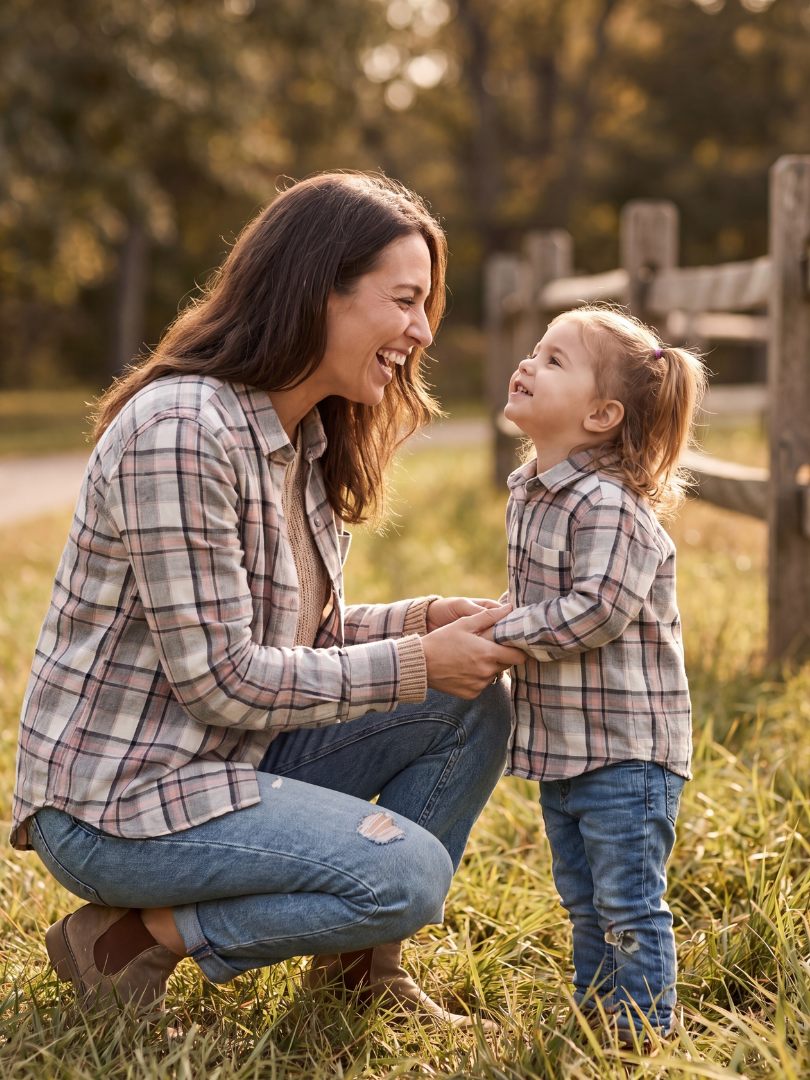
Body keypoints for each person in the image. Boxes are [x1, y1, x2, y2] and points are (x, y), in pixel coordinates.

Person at [12, 173, 525, 1022]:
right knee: (407, 872)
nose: (423, 330)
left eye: (425, 304)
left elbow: (292, 639)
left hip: (232, 758)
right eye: (404, 300)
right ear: (319, 287)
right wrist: (411, 660)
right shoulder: (181, 431)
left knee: (470, 703)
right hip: (125, 800)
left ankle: (360, 966)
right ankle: (128, 944)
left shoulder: (304, 436)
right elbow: (221, 676)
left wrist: (419, 626)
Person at [484, 305, 705, 1042]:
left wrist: (501, 633)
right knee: (581, 896)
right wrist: (503, 619)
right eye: (533, 351)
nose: (527, 364)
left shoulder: (608, 504)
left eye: (553, 361)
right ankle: (596, 1008)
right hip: (566, 747)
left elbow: (596, 612)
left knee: (629, 902)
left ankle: (642, 1029)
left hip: (627, 752)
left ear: (603, 414)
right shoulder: (533, 491)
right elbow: (540, 600)